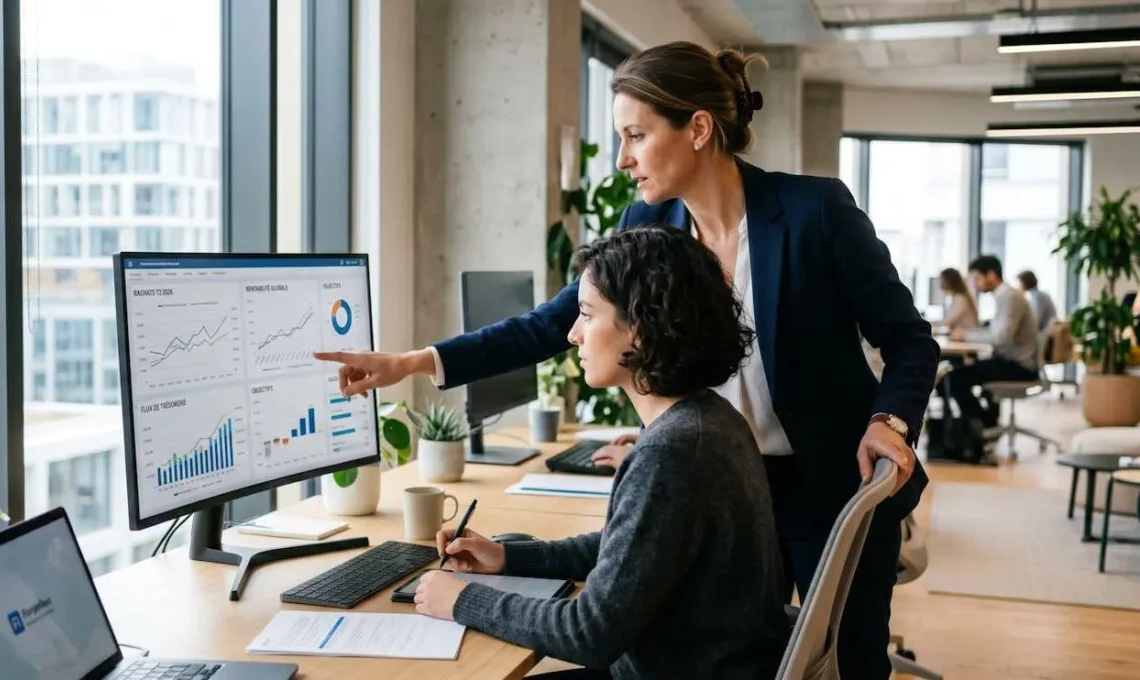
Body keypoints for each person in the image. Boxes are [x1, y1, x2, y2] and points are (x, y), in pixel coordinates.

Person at [316, 41, 938, 680]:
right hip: (726, 476)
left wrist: (888, 420)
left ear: (698, 128)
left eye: (636, 135)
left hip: (833, 480)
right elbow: (561, 320)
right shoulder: (652, 221)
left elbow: (910, 338)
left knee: (852, 665)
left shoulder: (814, 213)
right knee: (741, 647)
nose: (623, 158)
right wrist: (418, 362)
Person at [412, 227, 788, 679]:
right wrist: (510, 558)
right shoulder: (710, 418)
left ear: (642, 330)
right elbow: (633, 551)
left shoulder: (674, 451)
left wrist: (460, 600)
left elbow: (590, 633)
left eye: (587, 315)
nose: (572, 334)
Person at [948, 256, 1040, 430]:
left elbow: (1001, 338)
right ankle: (986, 423)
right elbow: (995, 333)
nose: (975, 284)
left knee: (953, 379)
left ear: (991, 275)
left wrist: (965, 336)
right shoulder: (1005, 295)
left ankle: (984, 426)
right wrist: (968, 334)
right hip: (1013, 361)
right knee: (960, 372)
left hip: (1020, 366)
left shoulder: (1010, 296)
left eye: (977, 278)